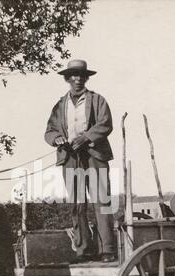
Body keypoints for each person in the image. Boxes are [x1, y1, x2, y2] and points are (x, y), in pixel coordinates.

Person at [45, 59, 116, 263]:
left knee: (102, 201)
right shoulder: (60, 105)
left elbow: (105, 124)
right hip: (70, 158)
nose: (78, 79)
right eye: (73, 75)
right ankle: (83, 250)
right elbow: (50, 130)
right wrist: (57, 138)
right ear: (67, 79)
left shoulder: (97, 100)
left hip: (95, 156)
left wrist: (86, 138)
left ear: (86, 78)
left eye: (81, 75)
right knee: (77, 204)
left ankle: (107, 250)